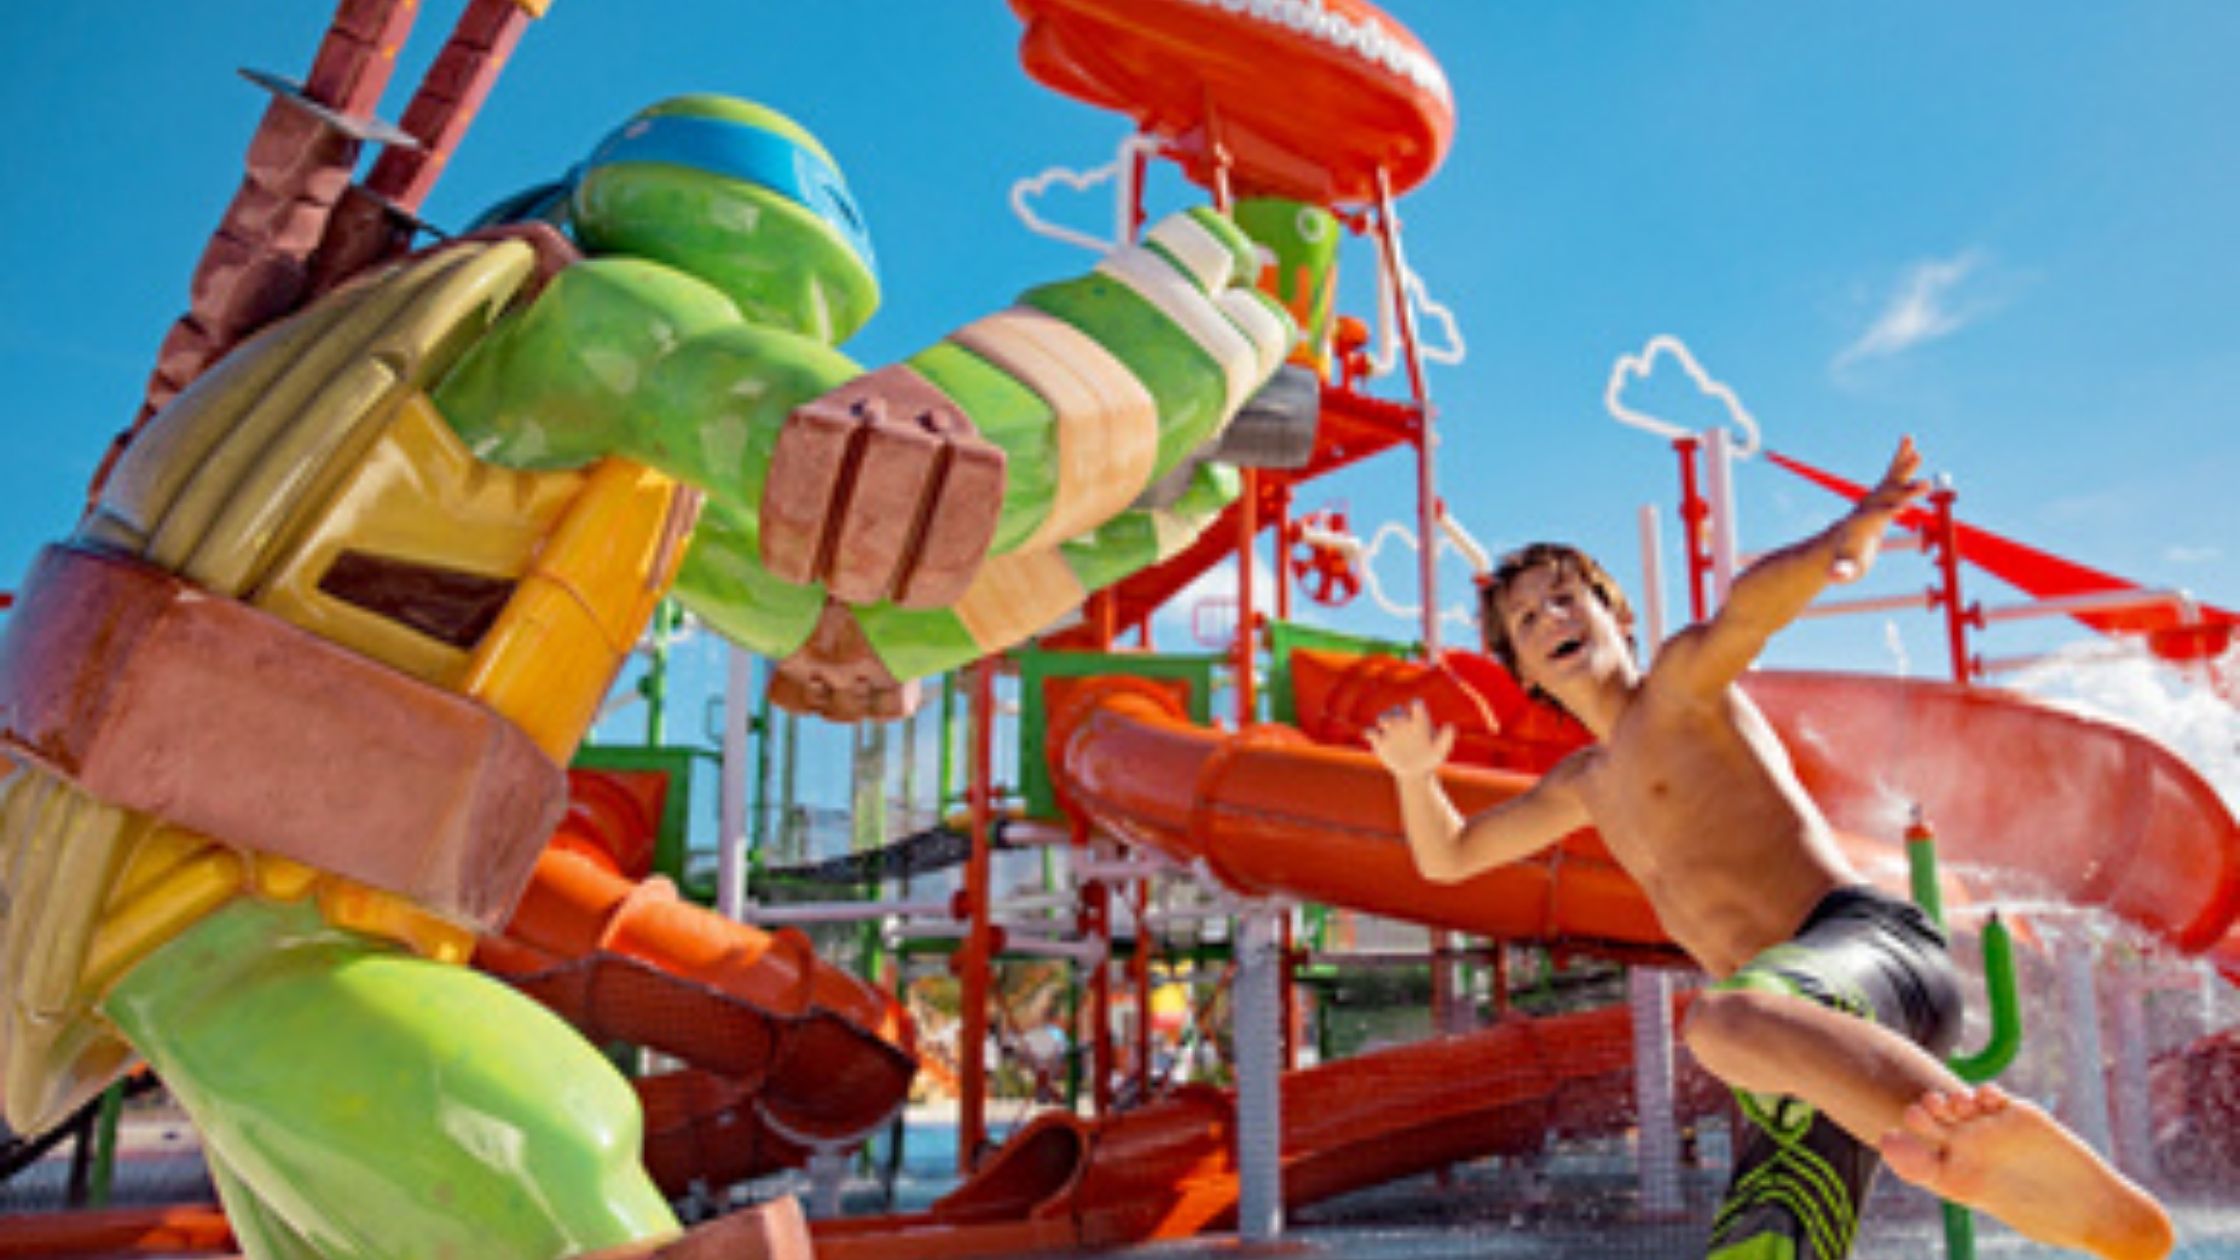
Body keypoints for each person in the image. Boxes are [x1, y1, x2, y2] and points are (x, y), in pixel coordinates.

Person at [1366, 437, 2174, 1260]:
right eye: (1528, 620)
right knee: (1759, 1242)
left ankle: (1961, 1141)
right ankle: (1947, 1144)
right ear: (1525, 674)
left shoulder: (1680, 687)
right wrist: (1412, 777)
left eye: (1568, 598)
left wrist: (1844, 538)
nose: (1553, 621)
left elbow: (1750, 611)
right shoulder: (1584, 784)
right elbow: (1452, 857)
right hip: (1807, 1053)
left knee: (1721, 1020)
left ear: (1619, 615)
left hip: (1869, 956)